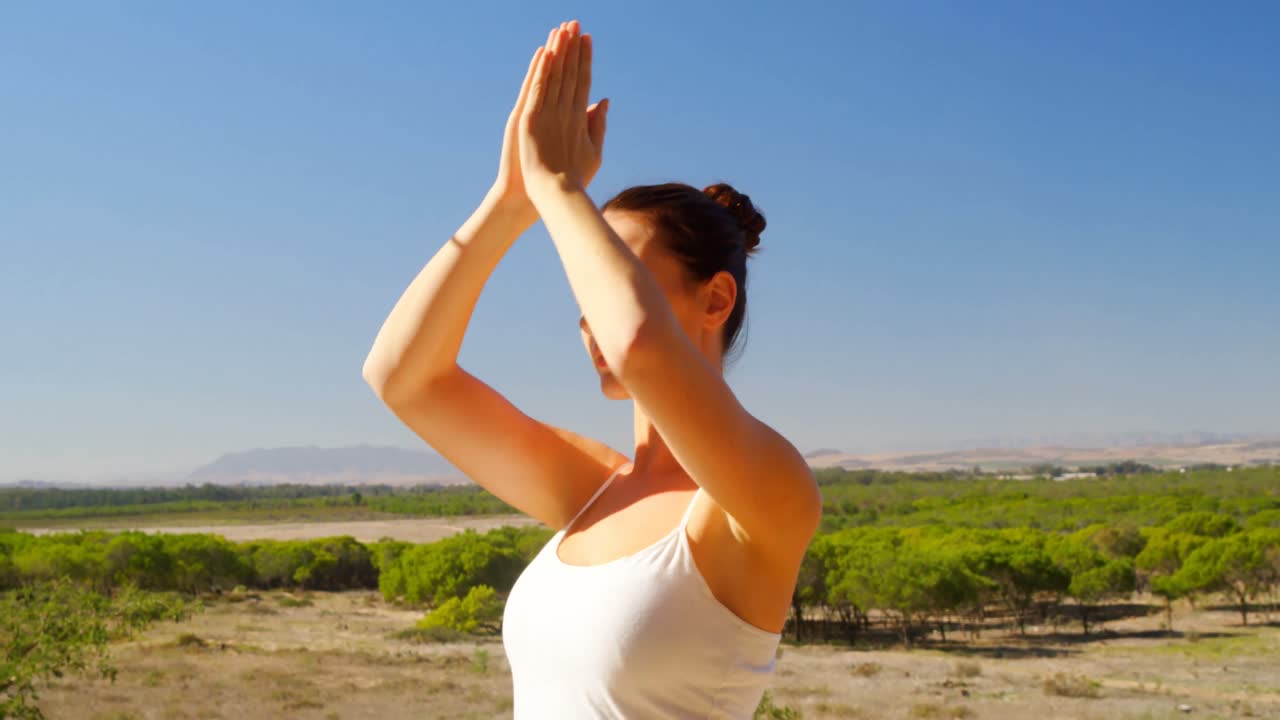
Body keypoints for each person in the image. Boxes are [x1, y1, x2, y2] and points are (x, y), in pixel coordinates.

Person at [362, 19, 822, 719]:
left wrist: (556, 185)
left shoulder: (762, 499)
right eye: (585, 295)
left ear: (716, 298)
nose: (590, 317)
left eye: (619, 278)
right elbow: (402, 377)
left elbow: (640, 345)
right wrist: (510, 202)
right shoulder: (595, 490)